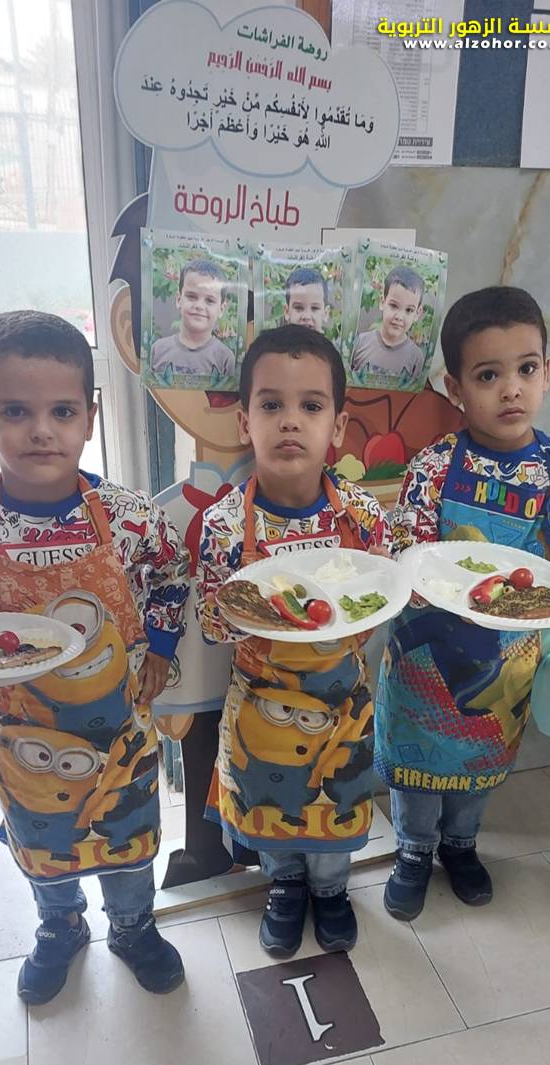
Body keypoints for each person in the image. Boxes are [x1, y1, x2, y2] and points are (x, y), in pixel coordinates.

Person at [0, 310, 191, 1003]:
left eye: (62, 411)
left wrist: (162, 648)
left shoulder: (130, 516)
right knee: (44, 842)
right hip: (26, 735)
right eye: (15, 411)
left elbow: (172, 576)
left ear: (90, 418)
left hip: (122, 729)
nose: (40, 430)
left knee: (127, 843)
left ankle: (133, 926)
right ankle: (60, 925)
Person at [376, 286, 550, 920]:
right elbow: (405, 544)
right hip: (423, 659)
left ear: (547, 373)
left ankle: (461, 844)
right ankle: (413, 850)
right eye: (488, 375)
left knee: (480, 757)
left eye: (526, 369)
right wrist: (418, 573)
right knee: (416, 764)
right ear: (455, 388)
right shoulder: (433, 466)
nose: (511, 389)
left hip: (506, 660)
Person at [196, 325, 393, 957]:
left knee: (335, 810)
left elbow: (379, 602)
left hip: (343, 706)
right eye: (271, 404)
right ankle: (283, 887)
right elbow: (211, 624)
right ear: (244, 422)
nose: (290, 421)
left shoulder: (361, 516)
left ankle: (332, 890)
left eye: (311, 406)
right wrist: (257, 612)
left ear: (337, 427)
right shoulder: (224, 524)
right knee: (272, 812)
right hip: (260, 707)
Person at [150, 257, 234, 380]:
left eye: (209, 300)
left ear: (221, 309)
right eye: (191, 296)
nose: (199, 306)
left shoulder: (225, 358)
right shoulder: (158, 350)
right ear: (179, 300)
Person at [352, 264, 426, 380]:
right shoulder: (360, 343)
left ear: (417, 313)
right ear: (382, 302)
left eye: (409, 310)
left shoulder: (416, 358)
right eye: (394, 306)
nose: (399, 317)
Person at [283, 266, 330, 334]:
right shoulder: (277, 341)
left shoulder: (327, 342)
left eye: (314, 308)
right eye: (298, 308)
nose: (306, 316)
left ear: (325, 313)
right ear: (287, 312)